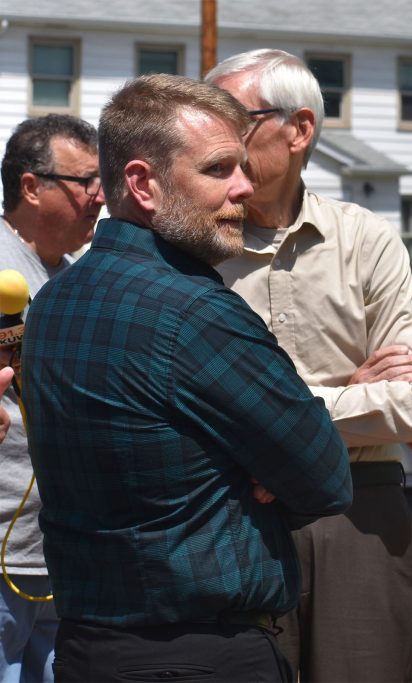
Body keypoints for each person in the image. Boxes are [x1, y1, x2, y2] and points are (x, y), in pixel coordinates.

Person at [20, 74, 353, 682]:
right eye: (219, 169)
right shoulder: (196, 314)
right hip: (200, 657)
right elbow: (326, 477)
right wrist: (254, 467)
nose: (245, 188)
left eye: (244, 167)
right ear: (143, 183)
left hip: (85, 652)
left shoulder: (54, 301)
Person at [205, 50, 412, 683]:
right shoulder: (192, 247)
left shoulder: (366, 239)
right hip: (230, 511)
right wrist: (342, 397)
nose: (211, 135)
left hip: (359, 512)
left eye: (232, 118)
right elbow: (185, 403)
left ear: (299, 128)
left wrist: (274, 416)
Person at [0, 113, 105, 683]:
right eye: (86, 182)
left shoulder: (71, 276)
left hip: (59, 553)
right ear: (31, 187)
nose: (100, 197)